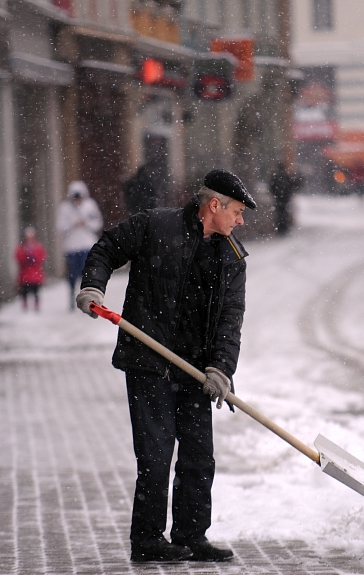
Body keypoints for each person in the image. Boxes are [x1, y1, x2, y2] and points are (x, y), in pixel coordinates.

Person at [76, 169, 255, 563]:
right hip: (149, 361)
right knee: (156, 454)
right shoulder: (156, 226)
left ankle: (191, 535)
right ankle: (147, 539)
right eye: (238, 211)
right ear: (214, 205)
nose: (240, 221)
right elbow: (107, 248)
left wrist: (221, 368)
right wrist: (93, 285)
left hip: (196, 371)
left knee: (199, 455)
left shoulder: (233, 258)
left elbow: (231, 318)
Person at [56, 181, 103, 310]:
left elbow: (97, 223)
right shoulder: (65, 208)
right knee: (72, 274)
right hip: (71, 247)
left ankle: (89, 299)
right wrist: (72, 224)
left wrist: (86, 223)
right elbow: (60, 226)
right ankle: (72, 298)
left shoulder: (90, 206)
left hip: (87, 245)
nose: (77, 201)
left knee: (87, 275)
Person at [14, 226, 47, 311]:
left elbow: (42, 257)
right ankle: (25, 306)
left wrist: (34, 258)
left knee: (36, 291)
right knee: (24, 292)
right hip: (25, 274)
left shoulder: (38, 246)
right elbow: (18, 256)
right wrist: (25, 258)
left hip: (35, 274)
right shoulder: (22, 247)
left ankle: (36, 306)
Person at [269, 162, 302, 235]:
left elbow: (272, 187)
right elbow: (292, 185)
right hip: (285, 198)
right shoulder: (285, 176)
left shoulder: (275, 176)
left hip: (278, 198)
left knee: (279, 213)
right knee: (284, 212)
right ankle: (284, 228)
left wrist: (275, 194)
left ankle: (280, 228)